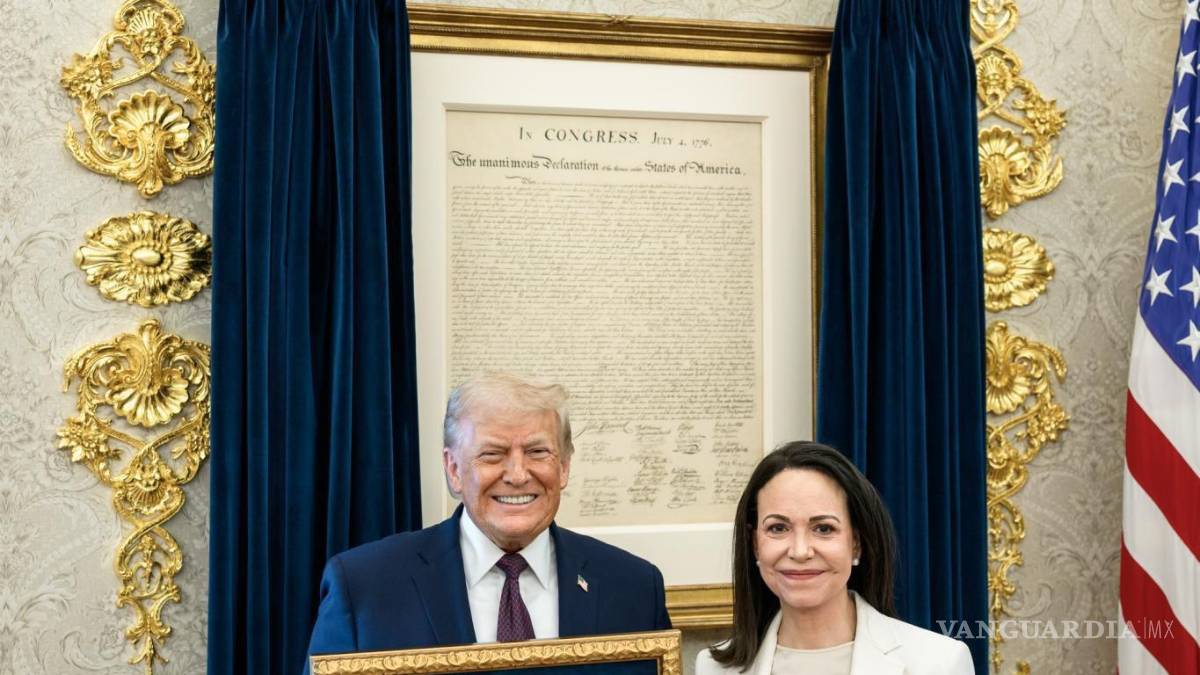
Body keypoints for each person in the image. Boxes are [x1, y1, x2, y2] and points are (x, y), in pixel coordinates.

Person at [305, 373, 671, 666]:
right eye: (493, 454)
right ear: (453, 469)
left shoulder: (635, 588)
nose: (517, 475)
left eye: (537, 452)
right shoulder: (364, 588)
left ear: (563, 467)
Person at [696, 441, 974, 675]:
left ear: (856, 544)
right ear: (755, 544)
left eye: (824, 529)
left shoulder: (940, 663)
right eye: (778, 528)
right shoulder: (713, 668)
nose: (800, 551)